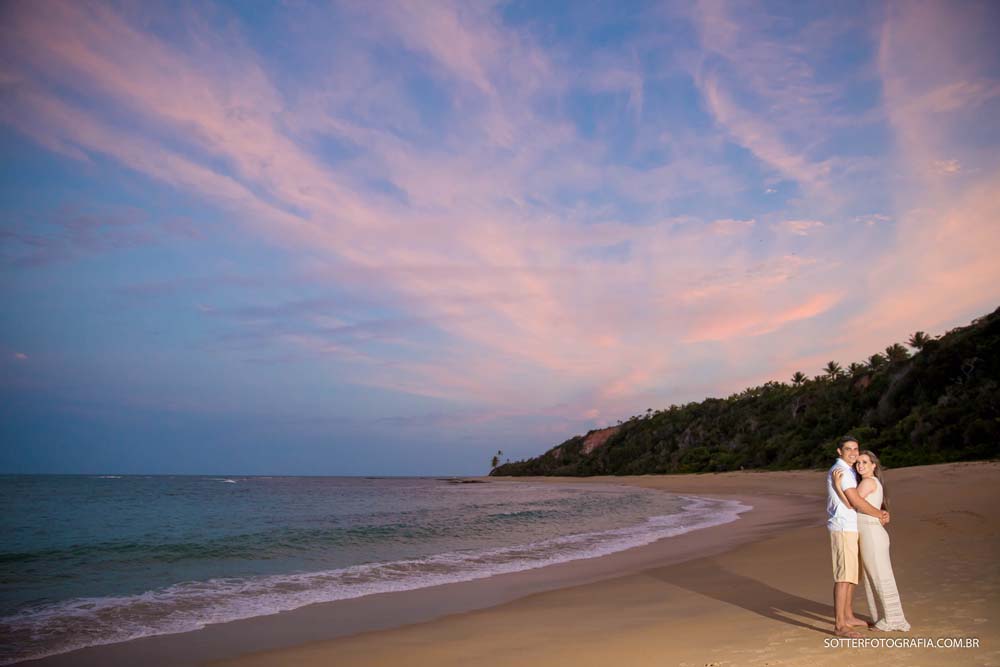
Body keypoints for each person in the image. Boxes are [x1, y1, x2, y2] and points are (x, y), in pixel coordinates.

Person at [833, 450, 911, 631]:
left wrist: (838, 486)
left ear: (874, 466)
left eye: (865, 462)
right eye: (858, 462)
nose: (860, 465)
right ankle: (885, 617)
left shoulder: (868, 482)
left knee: (879, 576)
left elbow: (852, 503)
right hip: (870, 532)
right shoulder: (872, 482)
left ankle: (893, 619)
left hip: (872, 534)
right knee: (874, 577)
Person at [827, 436, 889, 637]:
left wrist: (881, 510)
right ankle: (840, 625)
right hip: (843, 527)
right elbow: (854, 501)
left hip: (852, 527)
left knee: (852, 575)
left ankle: (848, 615)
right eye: (848, 449)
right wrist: (879, 513)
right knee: (844, 577)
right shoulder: (842, 472)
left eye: (856, 448)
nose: (853, 452)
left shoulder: (850, 471)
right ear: (839, 451)